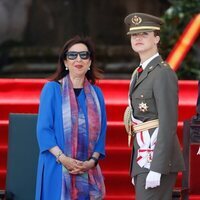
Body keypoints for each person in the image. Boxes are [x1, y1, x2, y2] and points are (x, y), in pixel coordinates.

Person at [35, 35, 107, 200]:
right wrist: (63, 159)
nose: (78, 59)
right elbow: (44, 130)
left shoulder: (97, 94)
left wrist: (92, 162)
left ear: (90, 62)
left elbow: (101, 132)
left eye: (84, 55)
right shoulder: (52, 89)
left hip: (87, 169)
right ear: (65, 62)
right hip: (56, 166)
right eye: (72, 55)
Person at [123, 12, 185, 200]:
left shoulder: (162, 73)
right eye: (134, 35)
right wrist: (137, 166)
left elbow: (167, 124)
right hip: (143, 157)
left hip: (157, 160)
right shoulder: (139, 72)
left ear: (157, 38)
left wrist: (157, 168)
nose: (138, 38)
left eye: (144, 33)